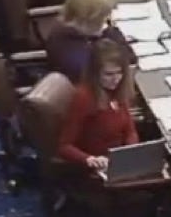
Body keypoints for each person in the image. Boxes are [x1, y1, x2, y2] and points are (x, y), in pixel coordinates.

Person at [57, 39, 138, 173]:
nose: (116, 79)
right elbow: (64, 146)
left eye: (119, 73)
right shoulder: (84, 98)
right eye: (109, 74)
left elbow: (130, 131)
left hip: (121, 160)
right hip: (99, 167)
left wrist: (130, 151)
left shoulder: (118, 91)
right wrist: (89, 159)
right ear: (95, 74)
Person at [45, 0, 134, 83]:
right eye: (100, 21)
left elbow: (130, 57)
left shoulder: (79, 31)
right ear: (85, 22)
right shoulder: (67, 50)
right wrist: (108, 33)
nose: (104, 25)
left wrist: (109, 32)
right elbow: (120, 62)